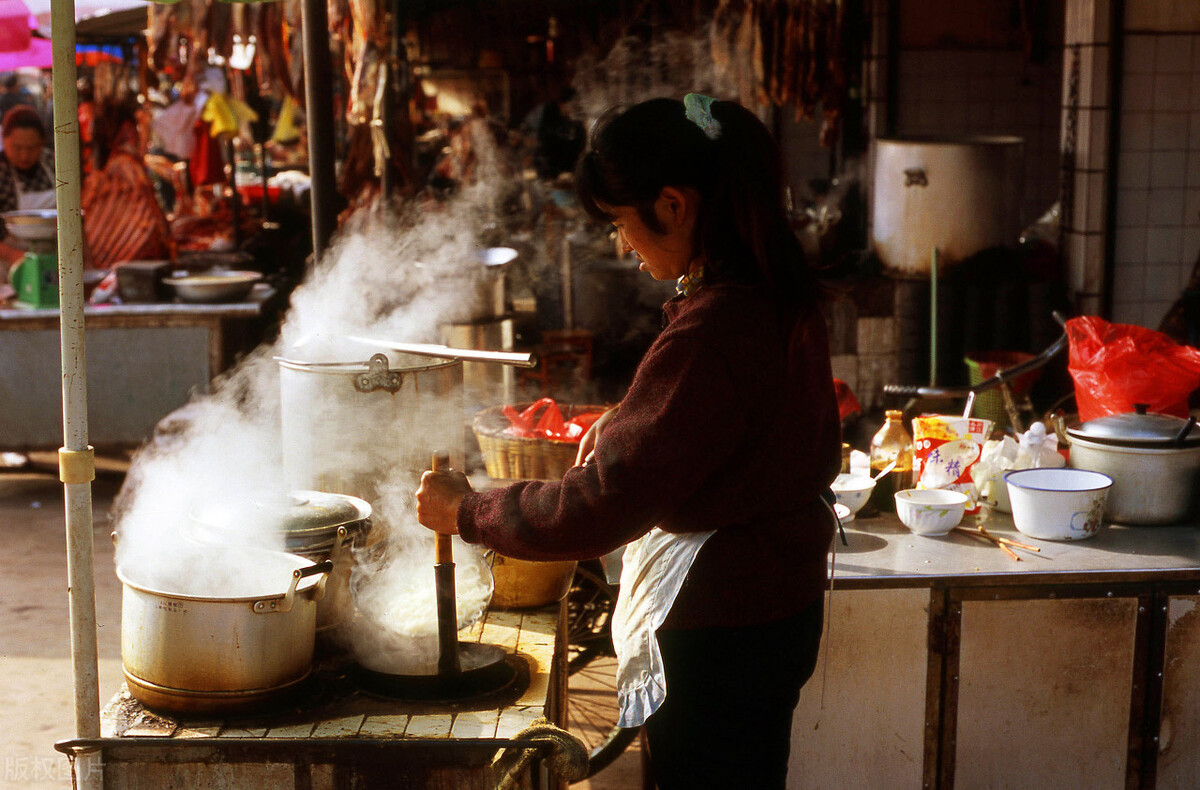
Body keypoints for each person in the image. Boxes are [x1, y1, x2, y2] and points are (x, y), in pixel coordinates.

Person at [417, 94, 842, 789]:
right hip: (775, 611)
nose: (622, 243)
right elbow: (729, 427)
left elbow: (602, 507)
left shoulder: (714, 330)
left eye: (620, 223)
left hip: (722, 634)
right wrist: (630, 417)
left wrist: (469, 512)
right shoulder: (778, 289)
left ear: (673, 205)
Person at [0, 105, 55, 269]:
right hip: (9, 262)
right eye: (17, 147)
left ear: (43, 143)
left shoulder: (53, 162)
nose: (25, 155)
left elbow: (75, 213)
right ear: (4, 140)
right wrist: (12, 255)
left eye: (32, 148)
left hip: (55, 255)